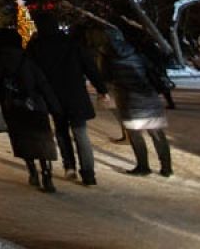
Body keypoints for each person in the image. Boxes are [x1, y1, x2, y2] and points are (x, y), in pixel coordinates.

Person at [25, 14, 109, 185]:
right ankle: (88, 173)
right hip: (75, 94)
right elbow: (89, 67)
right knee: (81, 133)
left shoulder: (35, 47)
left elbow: (30, 72)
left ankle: (69, 166)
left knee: (61, 131)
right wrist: (102, 89)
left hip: (53, 96)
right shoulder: (72, 44)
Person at [0, 27, 62, 193]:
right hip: (35, 105)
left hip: (12, 107)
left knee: (23, 141)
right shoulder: (27, 58)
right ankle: (47, 175)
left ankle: (32, 171)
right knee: (42, 141)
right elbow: (42, 83)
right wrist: (54, 105)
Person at [100, 26, 172, 177]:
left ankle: (143, 166)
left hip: (128, 99)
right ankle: (166, 167)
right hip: (148, 96)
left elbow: (106, 78)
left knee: (135, 135)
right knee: (156, 133)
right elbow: (152, 71)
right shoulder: (136, 52)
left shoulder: (107, 57)